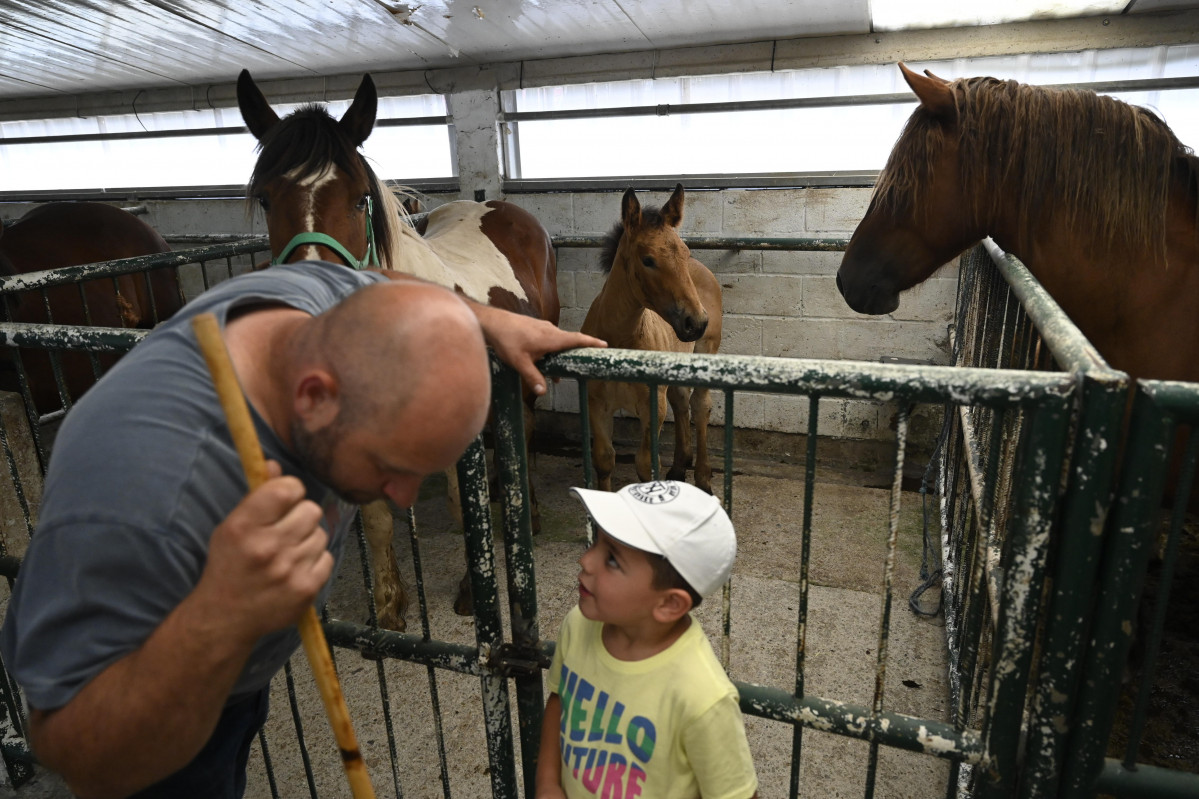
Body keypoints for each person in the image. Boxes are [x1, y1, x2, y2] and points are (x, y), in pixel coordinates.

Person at [0, 260, 604, 799]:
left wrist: (479, 319)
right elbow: (71, 749)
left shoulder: (312, 300)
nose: (401, 498)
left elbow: (377, 281)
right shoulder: (143, 489)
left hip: (232, 676)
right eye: (392, 468)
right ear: (315, 394)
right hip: (157, 718)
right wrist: (222, 615)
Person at [536, 480, 759, 799]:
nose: (586, 560)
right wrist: (548, 784)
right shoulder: (579, 624)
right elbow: (560, 699)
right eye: (595, 542)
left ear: (669, 604)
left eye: (612, 559)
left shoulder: (702, 697)